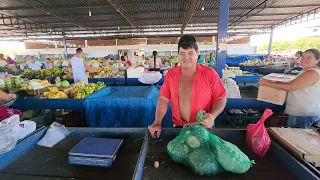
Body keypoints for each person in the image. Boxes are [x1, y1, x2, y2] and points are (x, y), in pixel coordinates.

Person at [148, 35, 227, 138]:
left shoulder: (210, 74)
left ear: (197, 54)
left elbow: (221, 98)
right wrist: (157, 122)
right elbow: (163, 99)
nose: (186, 57)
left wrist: (212, 116)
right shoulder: (171, 75)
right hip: (180, 128)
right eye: (182, 53)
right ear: (178, 55)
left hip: (203, 128)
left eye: (190, 53)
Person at [259, 49, 320, 129]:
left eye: (309, 57)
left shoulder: (312, 73)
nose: (304, 60)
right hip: (304, 111)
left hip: (302, 112)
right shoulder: (309, 71)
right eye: (303, 57)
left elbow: (291, 86)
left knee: (296, 136)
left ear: (318, 60)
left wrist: (266, 83)